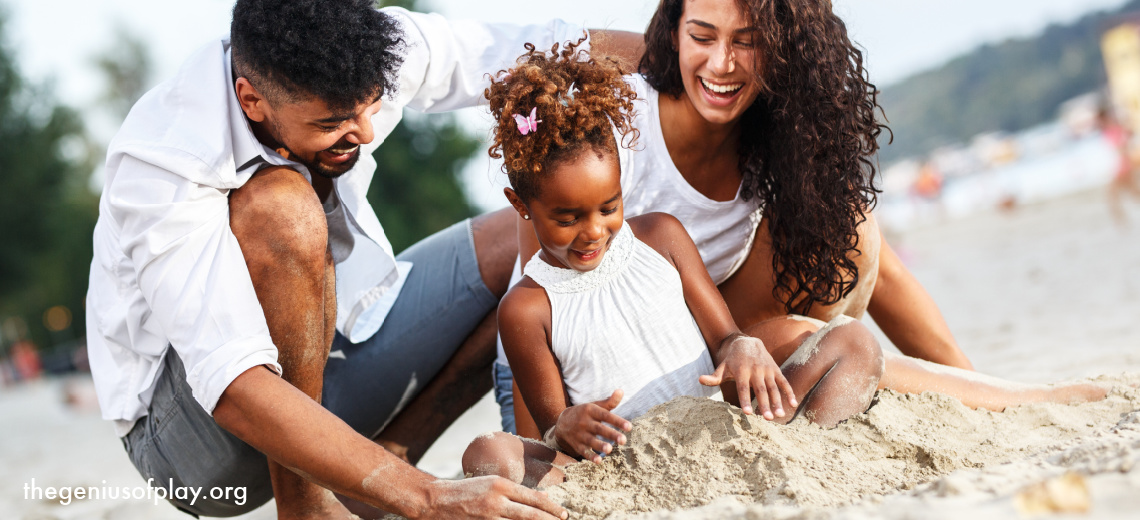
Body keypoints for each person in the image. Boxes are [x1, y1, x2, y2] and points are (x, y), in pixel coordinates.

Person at [85, 0, 640, 518]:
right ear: (250, 98)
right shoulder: (164, 159)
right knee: (283, 208)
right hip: (196, 443)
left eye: (370, 104)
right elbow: (232, 383)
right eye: (331, 124)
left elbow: (548, 51)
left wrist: (690, 55)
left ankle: (369, 481)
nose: (367, 132)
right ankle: (309, 504)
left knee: (528, 229)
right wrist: (425, 497)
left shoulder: (377, 45)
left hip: (325, 368)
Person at [499, 0, 1106, 438]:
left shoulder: (744, 161)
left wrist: (736, 348)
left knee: (842, 304)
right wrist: (547, 443)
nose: (722, 64)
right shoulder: (595, 142)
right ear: (672, 31)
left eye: (747, 39)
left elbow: (879, 274)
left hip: (686, 352)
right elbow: (542, 320)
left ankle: (1016, 398)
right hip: (578, 392)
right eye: (703, 36)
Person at [462, 41, 886, 487]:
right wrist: (566, 424)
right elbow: (551, 429)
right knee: (487, 452)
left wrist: (742, 348)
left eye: (609, 207)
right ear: (521, 205)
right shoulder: (525, 308)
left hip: (719, 434)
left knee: (854, 342)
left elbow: (724, 338)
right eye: (567, 219)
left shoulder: (661, 236)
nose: (592, 231)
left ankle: (805, 461)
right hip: (621, 472)